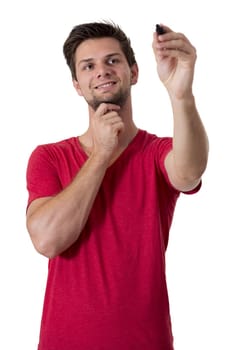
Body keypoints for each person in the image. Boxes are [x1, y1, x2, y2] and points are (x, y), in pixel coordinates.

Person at [26, 21, 209, 350]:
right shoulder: (48, 157)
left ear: (134, 72)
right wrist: (101, 155)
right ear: (77, 85)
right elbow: (47, 240)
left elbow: (189, 172)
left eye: (113, 60)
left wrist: (181, 94)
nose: (102, 71)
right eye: (89, 65)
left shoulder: (156, 153)